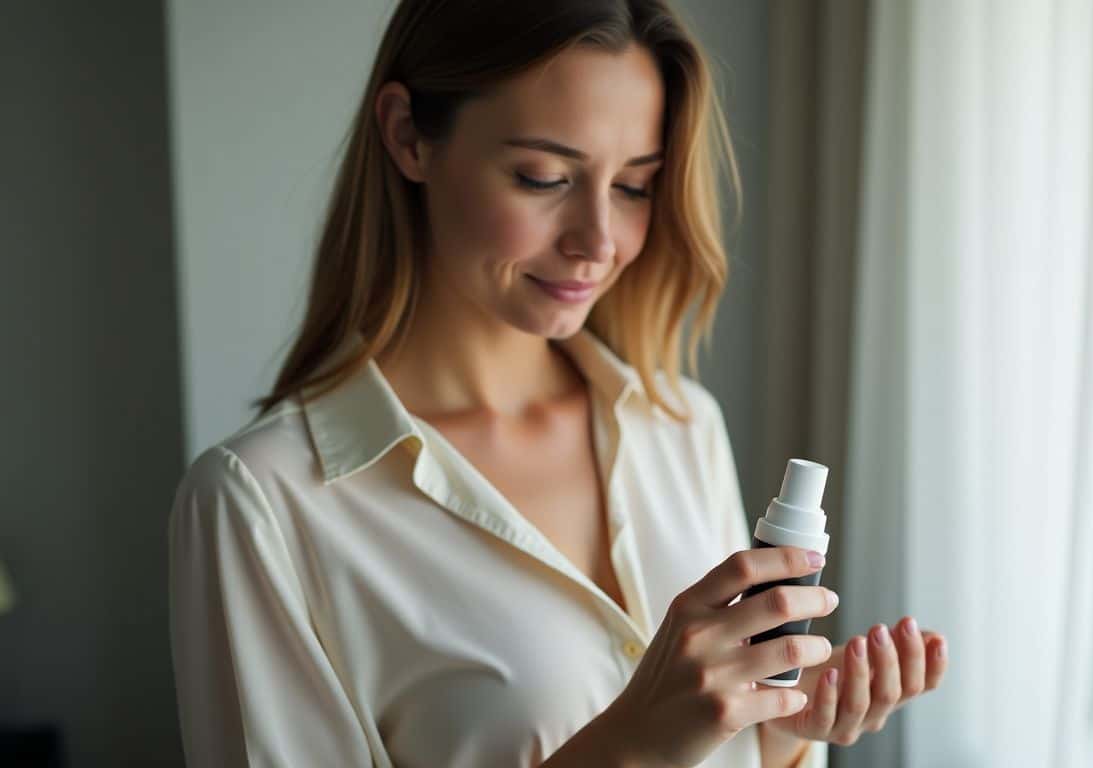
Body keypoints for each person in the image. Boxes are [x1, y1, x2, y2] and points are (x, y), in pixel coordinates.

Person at [167, 1, 948, 766]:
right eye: (543, 177)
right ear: (408, 136)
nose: (598, 242)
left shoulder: (679, 426)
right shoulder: (264, 503)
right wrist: (630, 747)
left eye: (636, 186)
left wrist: (782, 728)